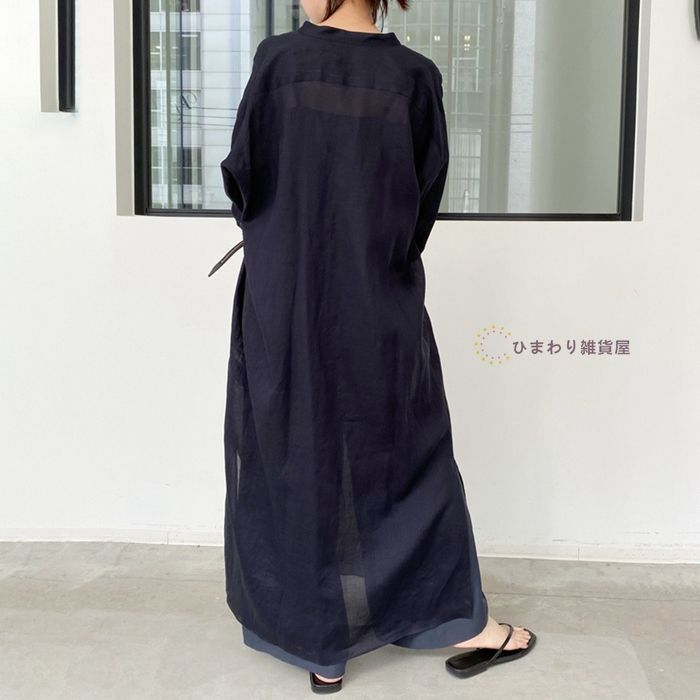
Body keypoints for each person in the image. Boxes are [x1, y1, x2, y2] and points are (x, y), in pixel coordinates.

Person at [219, 0, 536, 693]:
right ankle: (458, 621)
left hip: (285, 297)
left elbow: (244, 176)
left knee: (294, 452)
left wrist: (288, 239)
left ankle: (321, 649)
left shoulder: (279, 63)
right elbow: (423, 200)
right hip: (376, 297)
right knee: (408, 452)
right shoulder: (413, 77)